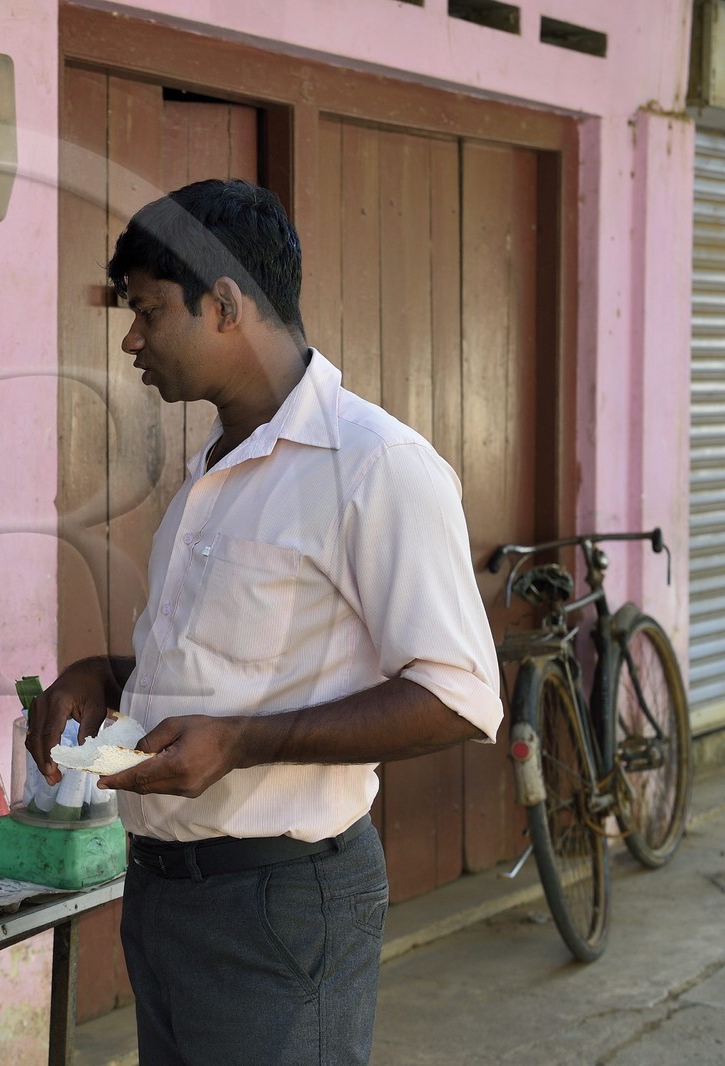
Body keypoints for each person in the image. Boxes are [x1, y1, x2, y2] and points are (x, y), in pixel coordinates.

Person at [27, 180, 503, 1066]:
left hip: (281, 904)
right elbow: (226, 668)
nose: (131, 338)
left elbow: (461, 696)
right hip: (169, 898)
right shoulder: (218, 469)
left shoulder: (376, 466)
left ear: (227, 303)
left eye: (149, 310)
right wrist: (104, 673)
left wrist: (244, 742)